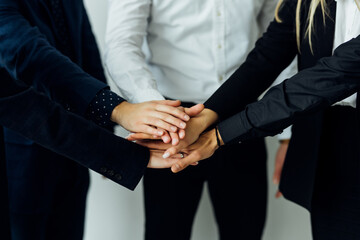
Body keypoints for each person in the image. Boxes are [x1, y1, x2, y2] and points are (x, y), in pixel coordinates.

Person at [138, 0, 360, 238]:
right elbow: (267, 57)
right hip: (329, 145)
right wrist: (203, 118)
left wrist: (218, 136)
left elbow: (327, 78)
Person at [0, 0, 201, 239]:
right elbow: (29, 56)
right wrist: (119, 109)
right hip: (21, 157)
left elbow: (87, 54)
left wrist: (107, 137)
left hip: (78, 150)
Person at [105, 0, 296, 239]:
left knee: (246, 229)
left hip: (243, 118)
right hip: (171, 124)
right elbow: (121, 43)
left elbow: (283, 41)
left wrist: (289, 137)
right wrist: (158, 113)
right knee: (165, 230)